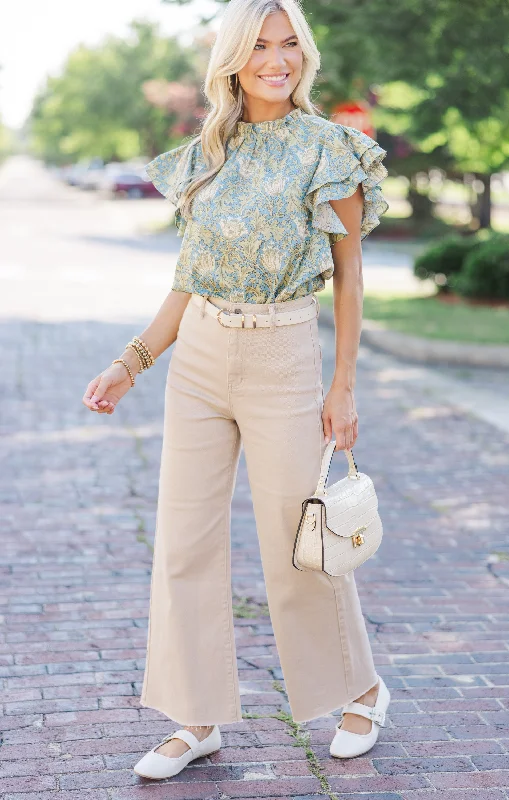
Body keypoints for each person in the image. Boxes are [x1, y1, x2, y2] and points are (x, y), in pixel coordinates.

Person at [83, 0, 390, 780]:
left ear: (304, 55)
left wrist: (343, 385)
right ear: (233, 58)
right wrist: (132, 360)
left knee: (298, 547)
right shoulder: (206, 153)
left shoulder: (330, 149)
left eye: (289, 44)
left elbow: (351, 277)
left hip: (283, 352)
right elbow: (188, 282)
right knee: (183, 545)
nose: (276, 58)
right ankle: (195, 717)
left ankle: (361, 689)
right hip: (200, 360)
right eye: (260, 45)